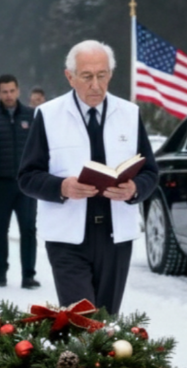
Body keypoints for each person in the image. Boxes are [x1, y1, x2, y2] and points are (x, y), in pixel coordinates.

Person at [19, 40, 158, 315]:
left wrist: (134, 189)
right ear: (69, 77)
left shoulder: (129, 114)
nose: (96, 85)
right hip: (67, 239)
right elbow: (27, 177)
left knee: (105, 322)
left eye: (102, 75)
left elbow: (150, 172)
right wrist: (62, 187)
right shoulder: (48, 115)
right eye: (87, 76)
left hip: (115, 237)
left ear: (111, 74)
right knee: (81, 321)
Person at [0, 74, 39, 289]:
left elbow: (39, 147)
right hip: (0, 184)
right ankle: (1, 271)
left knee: (28, 229)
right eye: (4, 91)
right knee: (0, 229)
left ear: (18, 91)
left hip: (25, 184)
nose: (8, 95)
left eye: (12, 91)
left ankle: (28, 274)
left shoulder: (31, 116)